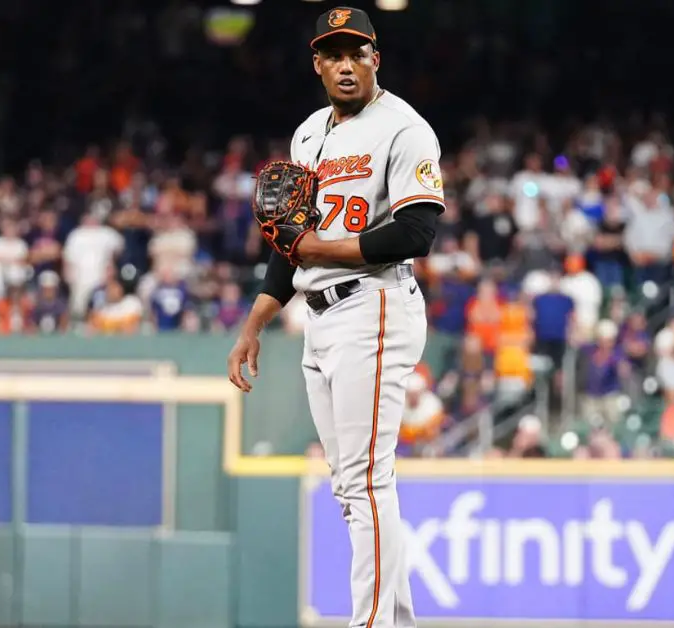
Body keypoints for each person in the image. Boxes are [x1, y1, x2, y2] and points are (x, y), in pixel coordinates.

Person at [226, 8, 442, 627]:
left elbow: (417, 230)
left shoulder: (405, 128)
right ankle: (393, 620)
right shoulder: (307, 135)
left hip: (373, 303)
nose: (346, 65)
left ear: (377, 58)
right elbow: (286, 242)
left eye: (357, 52)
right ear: (318, 64)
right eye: (333, 54)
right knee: (352, 489)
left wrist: (315, 248)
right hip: (320, 316)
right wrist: (255, 323)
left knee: (367, 482)